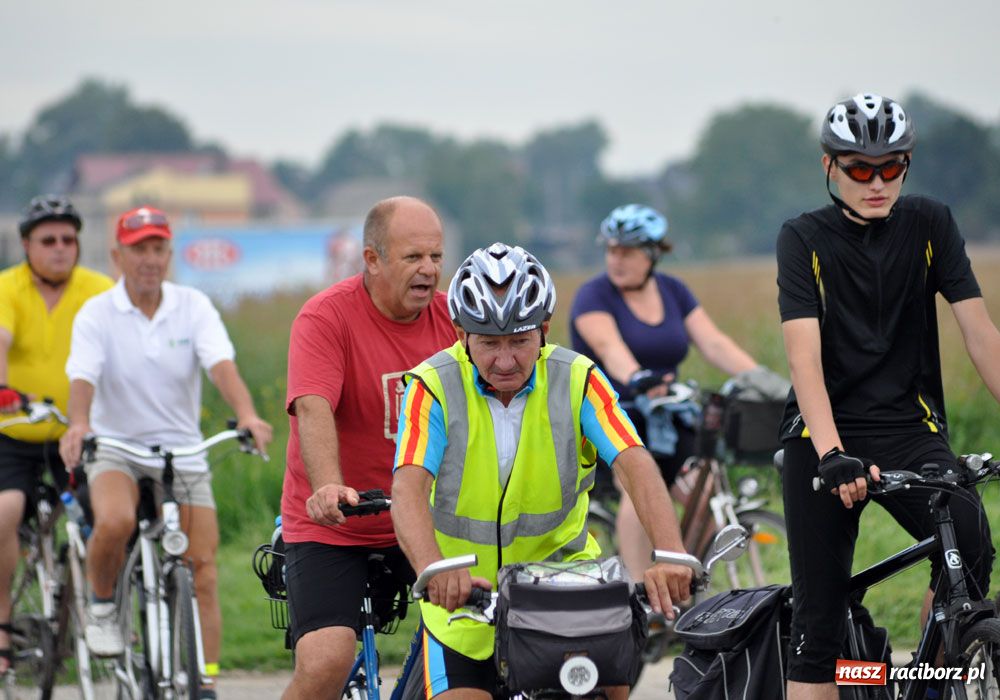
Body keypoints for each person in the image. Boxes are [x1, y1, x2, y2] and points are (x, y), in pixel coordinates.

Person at [392, 242, 693, 700]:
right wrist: (433, 568)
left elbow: (633, 463)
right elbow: (409, 487)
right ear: (461, 334)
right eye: (489, 343)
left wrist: (670, 552)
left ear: (545, 331)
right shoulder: (431, 386)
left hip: (565, 594)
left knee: (614, 689)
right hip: (464, 606)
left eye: (520, 340)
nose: (506, 359)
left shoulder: (578, 377)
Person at [777, 93, 999, 698]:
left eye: (892, 167)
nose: (876, 182)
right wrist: (830, 455)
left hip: (908, 425)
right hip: (825, 435)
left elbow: (980, 335)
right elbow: (805, 361)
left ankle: (936, 672)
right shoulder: (802, 239)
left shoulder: (931, 223)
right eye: (859, 168)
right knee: (817, 625)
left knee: (970, 547)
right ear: (829, 167)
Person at [58, 205, 272, 697]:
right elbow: (83, 378)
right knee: (114, 521)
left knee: (203, 570)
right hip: (117, 447)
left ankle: (206, 682)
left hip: (182, 452)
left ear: (169, 255)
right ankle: (104, 604)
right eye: (139, 250)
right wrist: (81, 425)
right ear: (118, 255)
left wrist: (246, 414)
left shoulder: (192, 305)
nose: (149, 260)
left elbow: (221, 366)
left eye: (158, 249)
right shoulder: (97, 313)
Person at [280, 196, 457, 700]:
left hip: (423, 520)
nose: (429, 270)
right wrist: (328, 486)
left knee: (481, 644)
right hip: (338, 525)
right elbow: (312, 407)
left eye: (437, 258)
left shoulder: (457, 323)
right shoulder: (325, 318)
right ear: (373, 259)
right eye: (413, 258)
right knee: (327, 659)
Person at [569, 204, 761, 578]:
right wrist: (639, 376)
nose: (616, 259)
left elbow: (715, 344)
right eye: (611, 250)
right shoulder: (593, 295)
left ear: (652, 254)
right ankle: (643, 599)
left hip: (666, 417)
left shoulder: (673, 291)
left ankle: (686, 586)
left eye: (627, 251)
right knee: (638, 491)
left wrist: (763, 380)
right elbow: (610, 348)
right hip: (611, 417)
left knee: (704, 496)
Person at [0, 195, 113, 678]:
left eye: (69, 239)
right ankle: (3, 624)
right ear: (27, 245)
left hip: (81, 429)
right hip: (18, 430)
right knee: (4, 512)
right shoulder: (7, 287)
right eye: (48, 240)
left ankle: (107, 606)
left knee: (110, 509)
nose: (60, 248)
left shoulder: (99, 288)